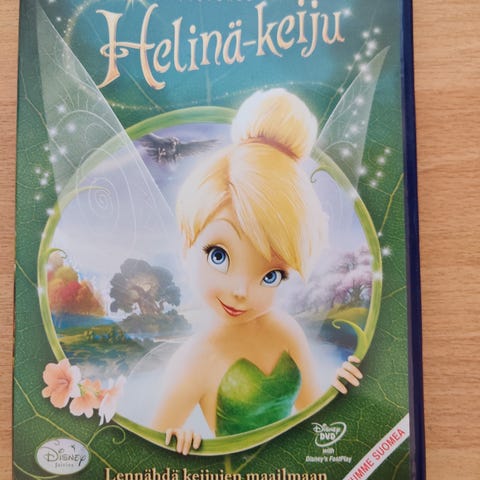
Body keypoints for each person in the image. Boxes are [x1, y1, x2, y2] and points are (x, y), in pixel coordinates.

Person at [152, 89, 362, 455]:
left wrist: (339, 391)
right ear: (188, 243)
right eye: (218, 255)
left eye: (271, 275)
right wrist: (180, 442)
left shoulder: (285, 330)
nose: (241, 291)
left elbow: (313, 416)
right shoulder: (194, 359)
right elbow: (148, 449)